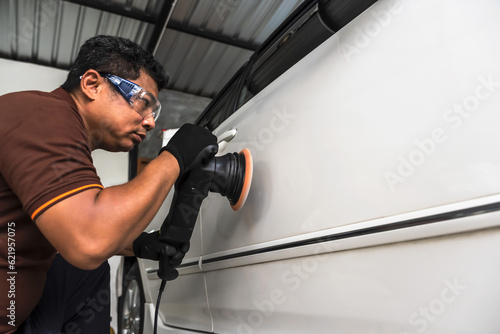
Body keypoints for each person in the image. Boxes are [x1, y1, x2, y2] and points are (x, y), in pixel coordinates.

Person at [0, 35, 217, 333]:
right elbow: (88, 240)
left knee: (87, 271)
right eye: (144, 103)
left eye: (154, 112)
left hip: (15, 316)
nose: (150, 122)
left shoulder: (59, 130)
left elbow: (58, 228)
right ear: (92, 84)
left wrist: (137, 244)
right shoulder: (42, 114)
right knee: (87, 261)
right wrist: (175, 157)